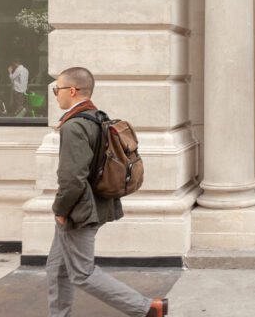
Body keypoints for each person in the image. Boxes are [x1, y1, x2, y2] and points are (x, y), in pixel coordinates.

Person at [46, 66, 168, 317]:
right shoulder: (97, 117)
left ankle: (147, 308)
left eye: (56, 89)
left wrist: (60, 210)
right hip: (94, 204)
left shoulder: (75, 125)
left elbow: (71, 178)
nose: (55, 94)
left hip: (79, 210)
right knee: (57, 268)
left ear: (72, 90)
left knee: (82, 273)